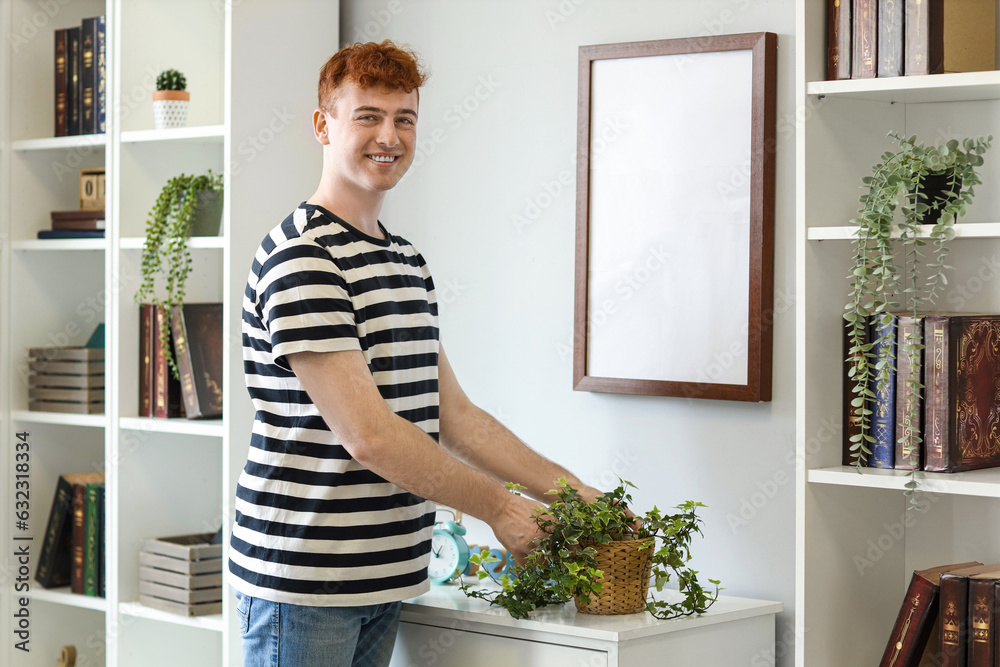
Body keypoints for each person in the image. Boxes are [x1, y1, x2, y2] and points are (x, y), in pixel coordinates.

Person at [229, 40, 606, 667]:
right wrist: (503, 510)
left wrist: (576, 496)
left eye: (404, 118)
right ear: (323, 125)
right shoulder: (304, 257)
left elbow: (456, 418)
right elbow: (369, 436)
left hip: (388, 575)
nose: (390, 136)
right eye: (368, 116)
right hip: (305, 577)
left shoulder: (403, 260)